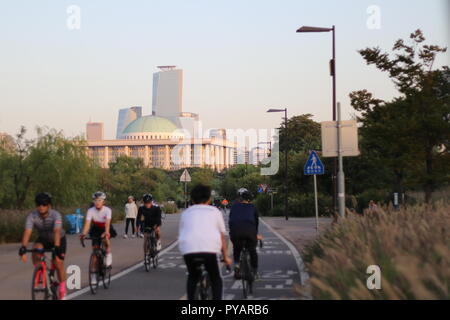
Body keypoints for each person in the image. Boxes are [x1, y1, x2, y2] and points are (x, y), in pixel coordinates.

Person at [178, 184, 232, 300]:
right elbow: (222, 236)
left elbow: (182, 233)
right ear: (209, 199)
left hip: (189, 249)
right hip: (209, 249)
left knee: (192, 276)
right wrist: (226, 257)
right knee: (216, 278)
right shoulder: (215, 211)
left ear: (192, 199)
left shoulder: (186, 213)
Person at [19, 193, 67, 300]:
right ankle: (41, 271)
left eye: (44, 204)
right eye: (39, 204)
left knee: (58, 263)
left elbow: (57, 231)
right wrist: (23, 247)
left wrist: (57, 246)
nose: (41, 206)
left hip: (58, 238)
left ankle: (62, 289)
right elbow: (27, 231)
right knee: (36, 249)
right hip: (44, 238)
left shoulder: (56, 215)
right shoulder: (32, 216)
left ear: (49, 205)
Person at [80, 191, 114, 285]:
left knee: (105, 239)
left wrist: (106, 232)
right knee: (95, 253)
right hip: (95, 228)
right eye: (95, 200)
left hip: (105, 227)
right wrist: (83, 233)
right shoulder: (90, 210)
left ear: (103, 201)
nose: (97, 202)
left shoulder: (107, 210)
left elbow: (107, 223)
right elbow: (87, 224)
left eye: (100, 200)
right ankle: (94, 275)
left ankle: (108, 255)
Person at [229, 188, 262, 280]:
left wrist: (232, 233)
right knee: (252, 251)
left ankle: (236, 265)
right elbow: (256, 223)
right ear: (250, 199)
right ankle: (255, 272)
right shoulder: (253, 207)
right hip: (249, 233)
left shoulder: (234, 206)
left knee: (236, 249)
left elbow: (231, 221)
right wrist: (255, 234)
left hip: (235, 233)